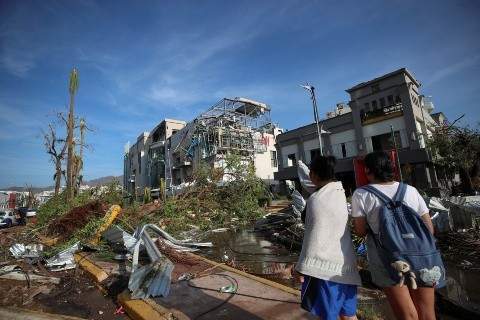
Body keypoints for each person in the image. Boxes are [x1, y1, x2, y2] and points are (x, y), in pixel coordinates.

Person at [351, 151, 436, 320]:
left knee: (407, 314)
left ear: (368, 170)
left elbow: (360, 231)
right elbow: (429, 228)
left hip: (388, 259)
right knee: (427, 313)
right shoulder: (411, 190)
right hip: (422, 256)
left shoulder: (361, 194)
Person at [296, 155, 361, 320]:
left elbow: (314, 236)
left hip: (325, 270)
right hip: (347, 266)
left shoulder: (315, 200)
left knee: (328, 315)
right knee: (349, 314)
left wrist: (301, 266)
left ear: (315, 175)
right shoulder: (339, 192)